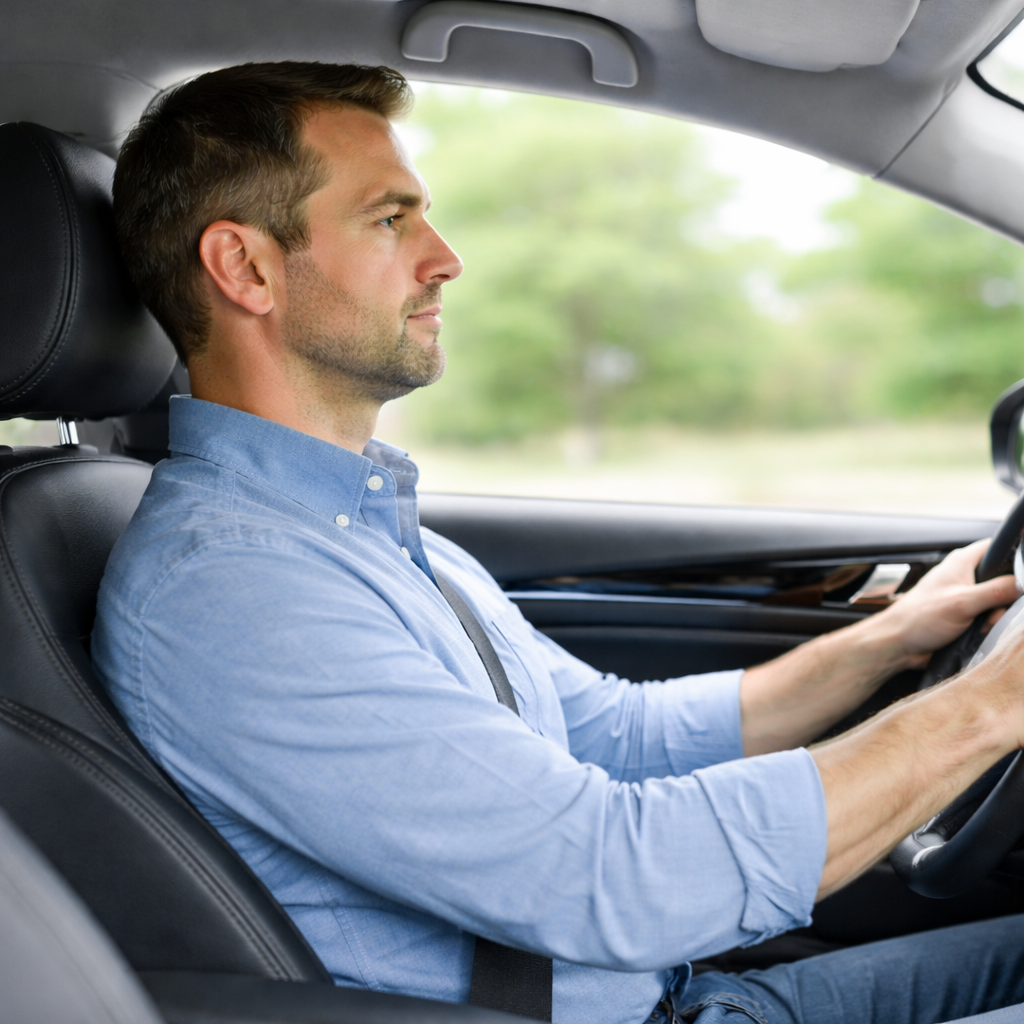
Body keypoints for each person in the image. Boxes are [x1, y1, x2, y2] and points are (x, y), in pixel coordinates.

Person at [92, 61, 1024, 1024]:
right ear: (245, 268)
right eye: (390, 220)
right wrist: (988, 707)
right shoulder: (234, 589)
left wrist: (895, 640)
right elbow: (615, 878)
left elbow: (620, 736)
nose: (444, 257)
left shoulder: (354, 529)